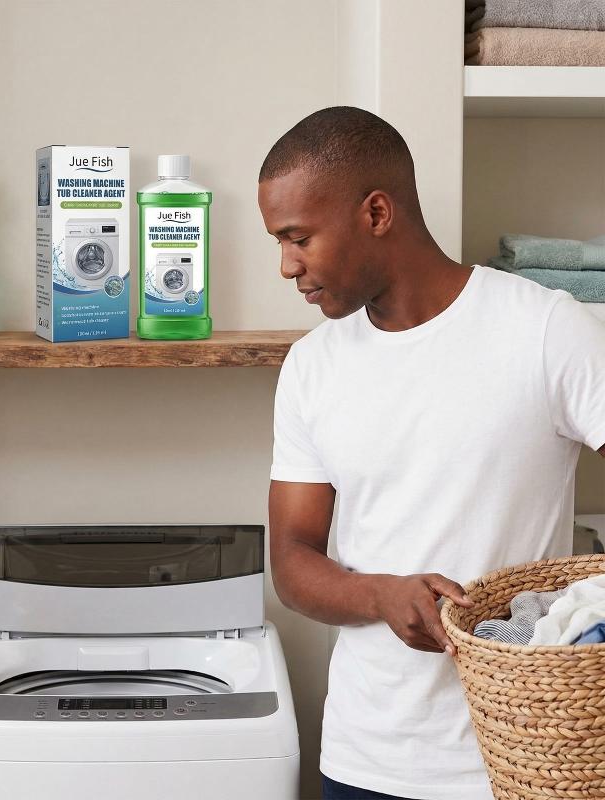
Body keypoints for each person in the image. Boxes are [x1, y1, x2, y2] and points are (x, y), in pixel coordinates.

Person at [257, 106, 605, 800]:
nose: (287, 265)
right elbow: (292, 562)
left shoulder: (545, 330)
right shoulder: (311, 367)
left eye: (298, 238)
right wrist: (380, 595)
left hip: (525, 759)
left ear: (376, 212)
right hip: (364, 759)